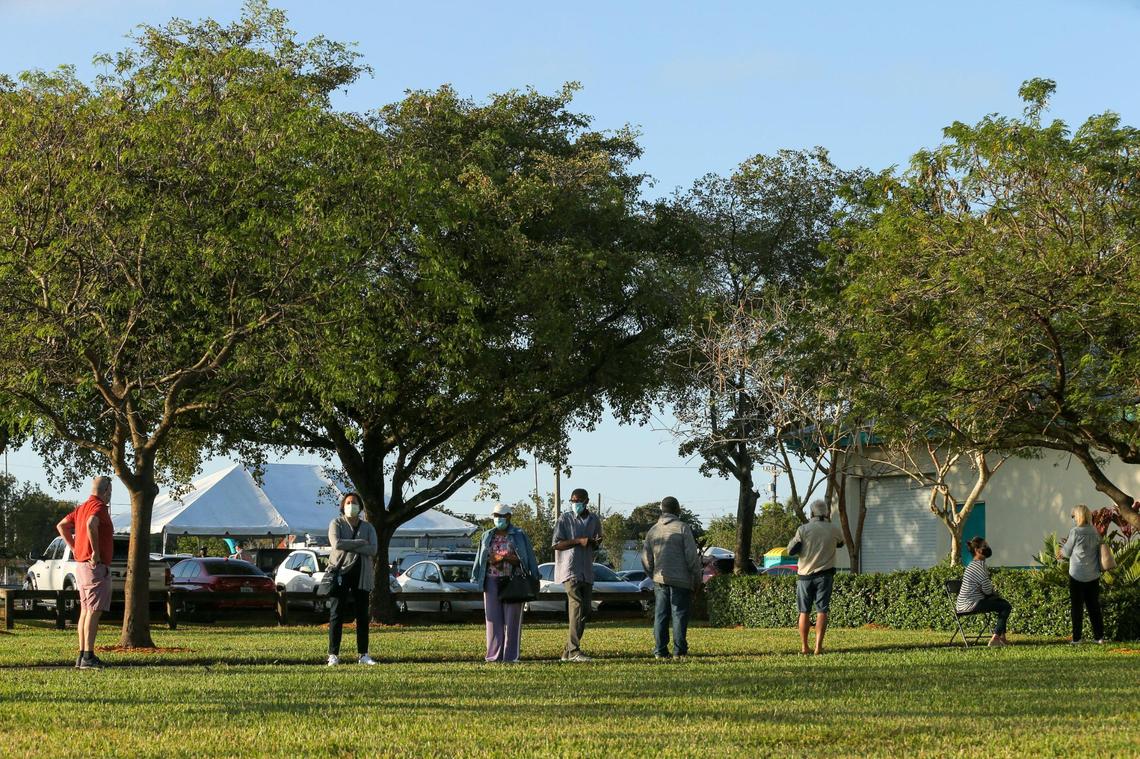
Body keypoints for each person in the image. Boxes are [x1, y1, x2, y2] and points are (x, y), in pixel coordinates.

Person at [56, 476, 114, 669]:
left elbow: (62, 525)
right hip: (94, 566)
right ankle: (89, 657)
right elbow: (91, 524)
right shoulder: (99, 507)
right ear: (106, 491)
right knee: (94, 611)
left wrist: (74, 546)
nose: (110, 496)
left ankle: (82, 655)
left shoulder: (81, 507)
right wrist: (96, 551)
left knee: (85, 610)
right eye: (110, 492)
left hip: (81, 565)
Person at [471, 503, 540, 663]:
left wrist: (505, 558)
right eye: (496, 516)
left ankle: (511, 656)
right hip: (491, 580)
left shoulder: (519, 534)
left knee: (512, 620)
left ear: (509, 517)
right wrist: (487, 564)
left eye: (503, 516)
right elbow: (481, 558)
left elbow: (527, 557)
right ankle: (493, 656)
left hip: (513, 581)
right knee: (492, 620)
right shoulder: (487, 535)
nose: (499, 519)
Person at [641, 496, 701, 659]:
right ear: (678, 510)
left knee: (661, 615)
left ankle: (660, 651)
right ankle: (679, 651)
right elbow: (691, 557)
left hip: (660, 579)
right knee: (679, 614)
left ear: (662, 510)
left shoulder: (653, 530)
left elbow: (646, 558)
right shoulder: (682, 528)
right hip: (681, 580)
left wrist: (652, 574)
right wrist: (697, 578)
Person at [326, 492, 379, 666]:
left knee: (362, 615)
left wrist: (352, 544)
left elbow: (373, 550)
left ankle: (363, 654)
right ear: (343, 506)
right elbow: (336, 544)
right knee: (336, 614)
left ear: (360, 507)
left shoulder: (368, 527)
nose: (351, 505)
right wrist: (360, 543)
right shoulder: (336, 523)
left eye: (354, 503)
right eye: (348, 502)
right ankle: (333, 654)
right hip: (340, 573)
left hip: (362, 574)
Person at [786, 499, 845, 655]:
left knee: (804, 611)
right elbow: (840, 543)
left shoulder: (803, 529)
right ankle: (818, 647)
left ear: (811, 513)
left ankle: (805, 647)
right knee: (822, 611)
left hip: (804, 576)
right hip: (825, 576)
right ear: (827, 513)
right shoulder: (834, 529)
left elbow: (790, 550)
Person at [552, 487, 602, 662]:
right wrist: (578, 541)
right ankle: (574, 651)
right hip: (570, 568)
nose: (575, 504)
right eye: (573, 501)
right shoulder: (564, 519)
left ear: (586, 501)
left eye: (579, 501)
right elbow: (556, 544)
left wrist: (595, 543)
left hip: (586, 570)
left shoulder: (594, 519)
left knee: (586, 610)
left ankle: (567, 652)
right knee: (577, 606)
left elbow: (597, 542)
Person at [1059, 504, 1105, 644]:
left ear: (1078, 516)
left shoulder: (1075, 532)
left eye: (1073, 516)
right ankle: (1099, 637)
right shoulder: (1095, 531)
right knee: (1094, 607)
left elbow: (1066, 552)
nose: (1073, 518)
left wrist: (1060, 553)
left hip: (1077, 575)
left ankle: (1077, 638)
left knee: (1077, 608)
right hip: (1093, 574)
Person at [956, 536, 1012, 647]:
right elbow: (987, 591)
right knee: (1005, 606)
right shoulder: (979, 566)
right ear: (977, 550)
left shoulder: (972, 565)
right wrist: (994, 593)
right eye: (985, 546)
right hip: (970, 604)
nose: (988, 548)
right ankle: (996, 638)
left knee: (1002, 603)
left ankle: (1002, 638)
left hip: (964, 604)